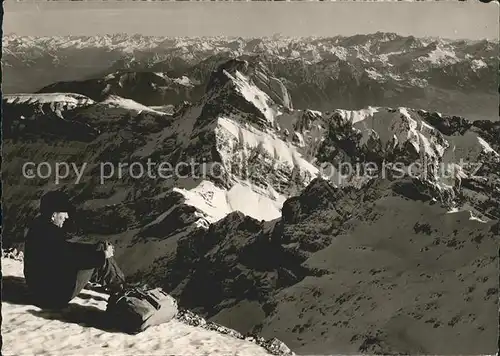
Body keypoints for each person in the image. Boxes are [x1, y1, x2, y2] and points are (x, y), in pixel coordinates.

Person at [23, 190, 126, 309]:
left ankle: (119, 287)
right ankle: (123, 291)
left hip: (40, 291)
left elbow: (65, 250)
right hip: (53, 296)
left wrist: (92, 249)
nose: (67, 216)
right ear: (53, 214)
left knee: (97, 250)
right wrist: (103, 255)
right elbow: (72, 259)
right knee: (101, 250)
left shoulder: (40, 227)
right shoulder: (51, 233)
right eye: (64, 212)